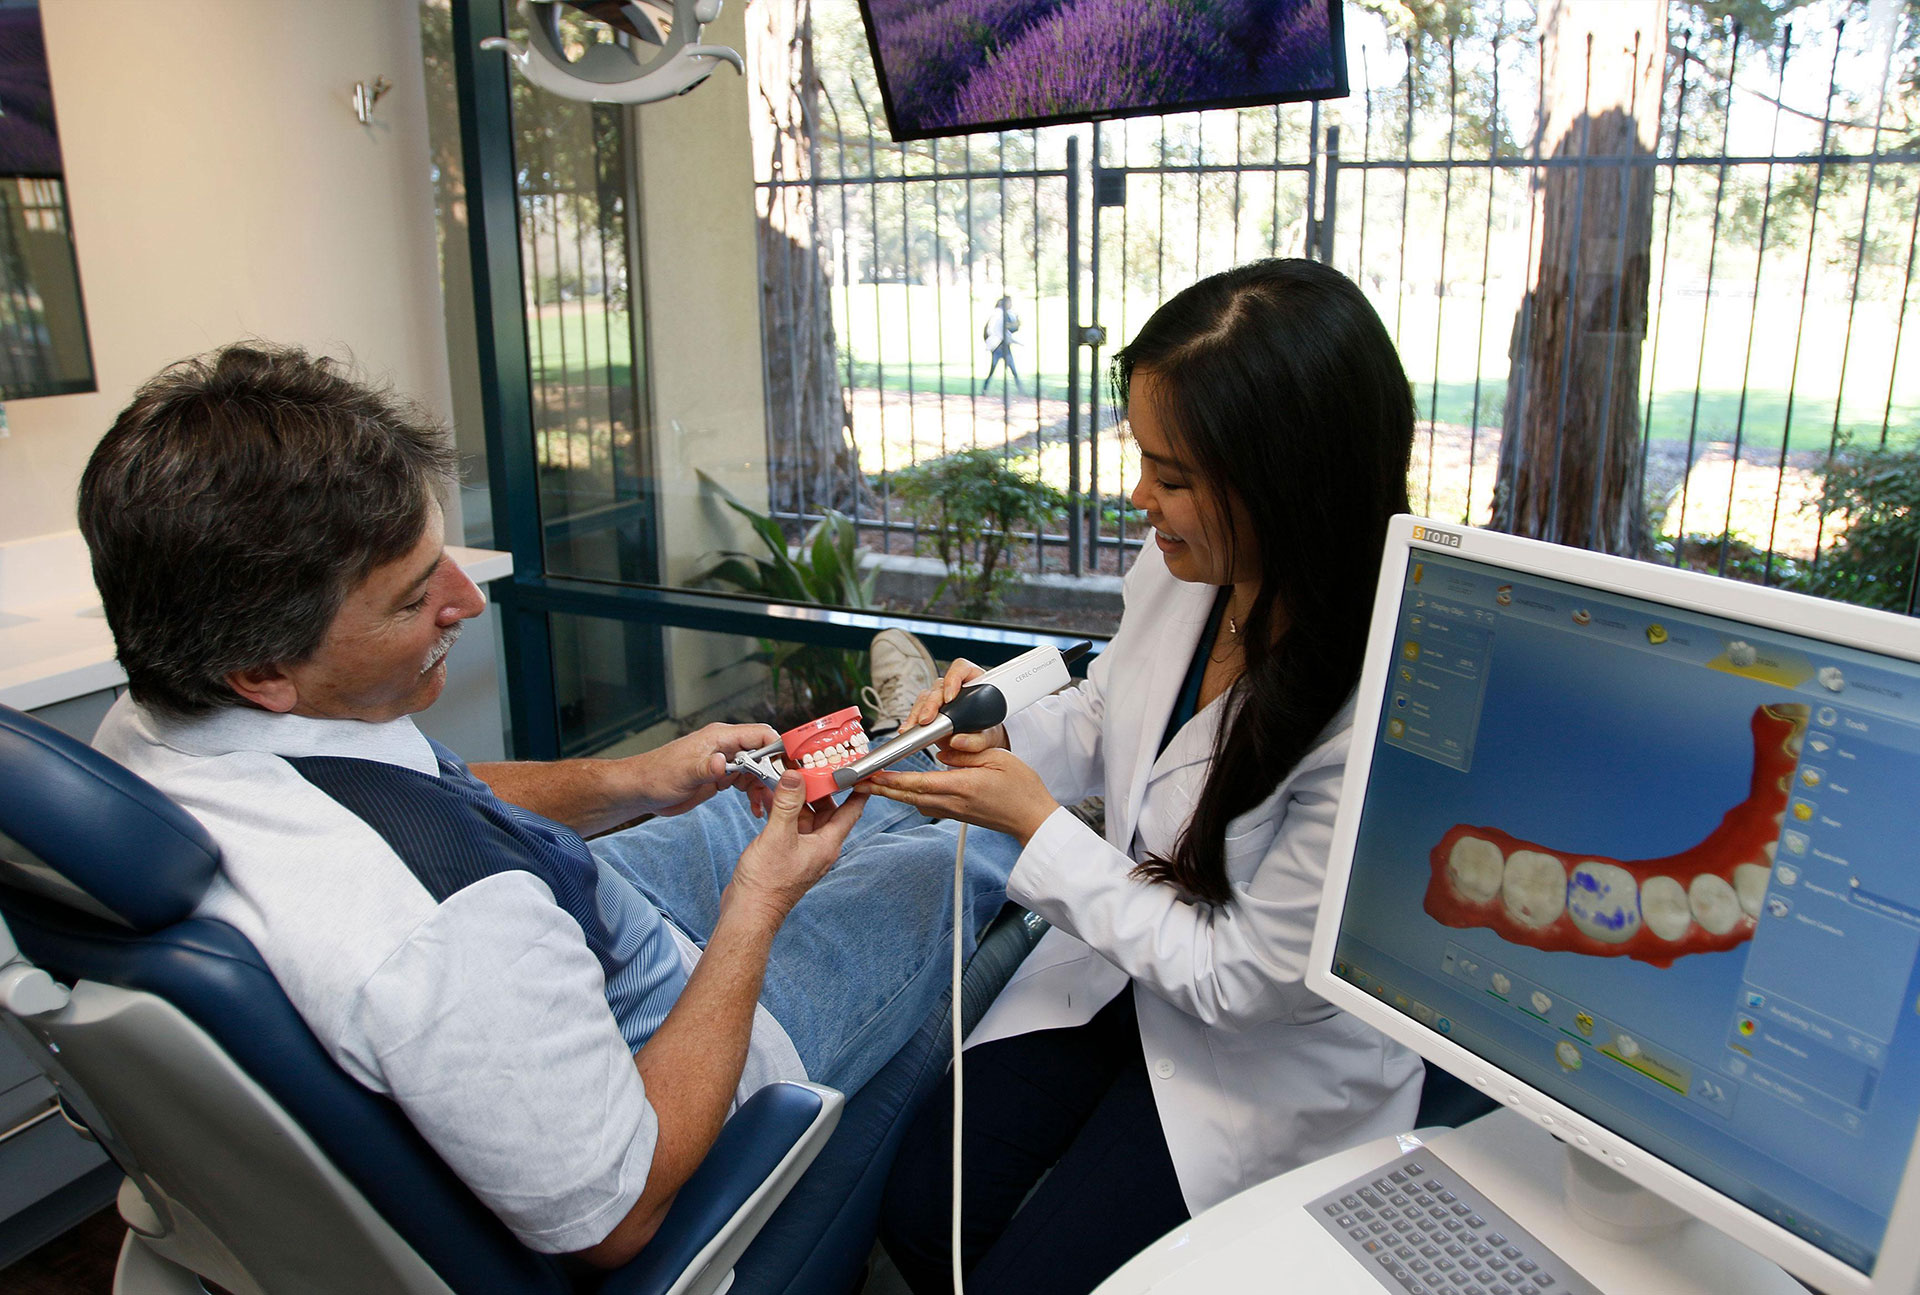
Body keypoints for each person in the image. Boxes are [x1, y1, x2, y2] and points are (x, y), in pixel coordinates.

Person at [75, 343, 1018, 1273]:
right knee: (961, 857)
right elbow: (621, 1209)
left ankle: (902, 758)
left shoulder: (156, 728)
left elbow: (425, 796)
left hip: (566, 923)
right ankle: (1029, 814)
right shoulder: (436, 932)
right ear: (262, 669)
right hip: (660, 1055)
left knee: (784, 801)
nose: (465, 603)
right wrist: (758, 905)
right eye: (414, 597)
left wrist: (635, 779)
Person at [869, 259, 1426, 1294]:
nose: (1139, 498)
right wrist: (996, 732)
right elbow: (1100, 716)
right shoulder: (1187, 574)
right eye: (1143, 460)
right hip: (1120, 971)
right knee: (919, 1205)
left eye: (1171, 475)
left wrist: (1036, 829)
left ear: (1288, 488)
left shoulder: (1382, 707)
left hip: (1257, 1059)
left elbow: (1239, 979)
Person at [981, 294, 1021, 395]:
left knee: (1008, 369)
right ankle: (1021, 390)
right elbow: (1011, 328)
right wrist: (1016, 323)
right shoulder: (1001, 315)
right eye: (1009, 302)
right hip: (1000, 346)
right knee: (1011, 370)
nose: (1011, 304)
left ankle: (984, 390)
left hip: (999, 346)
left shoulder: (999, 314)